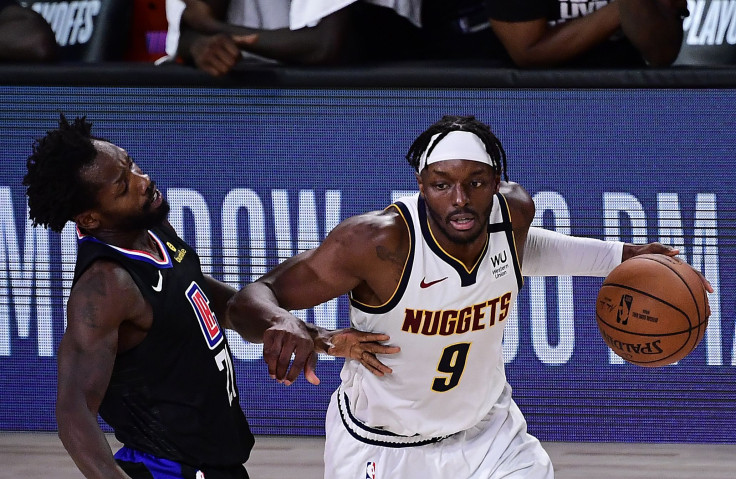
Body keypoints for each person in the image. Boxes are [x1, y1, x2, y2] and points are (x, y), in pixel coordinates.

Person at [226, 114, 709, 478]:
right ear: (421, 186)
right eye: (442, 186)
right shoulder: (375, 244)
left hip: (491, 435)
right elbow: (250, 299)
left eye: (475, 183)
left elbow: (526, 250)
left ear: (495, 184)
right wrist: (307, 331)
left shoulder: (511, 214)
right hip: (385, 448)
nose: (459, 199)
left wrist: (622, 255)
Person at [22, 114, 390, 479]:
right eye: (122, 186)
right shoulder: (105, 286)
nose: (143, 180)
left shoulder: (151, 228)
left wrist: (319, 337)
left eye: (131, 164)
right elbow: (74, 411)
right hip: (168, 468)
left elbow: (225, 307)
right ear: (89, 218)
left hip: (214, 465)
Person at [168, 0, 423, 76]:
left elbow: (324, 44)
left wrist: (210, 26)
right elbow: (182, 36)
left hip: (379, 99)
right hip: (266, 109)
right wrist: (200, 45)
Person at [485, 0, 689, 67]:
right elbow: (527, 51)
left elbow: (663, 53)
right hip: (529, 102)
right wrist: (618, 11)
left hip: (624, 96)